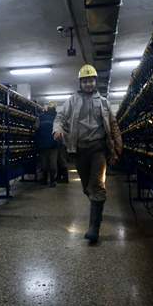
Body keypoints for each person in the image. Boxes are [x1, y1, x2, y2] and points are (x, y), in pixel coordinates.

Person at [53, 64, 122, 243]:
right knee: (87, 187)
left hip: (98, 148)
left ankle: (94, 228)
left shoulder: (104, 102)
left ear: (95, 81)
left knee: (97, 185)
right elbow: (60, 118)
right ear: (80, 83)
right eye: (85, 81)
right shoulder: (72, 101)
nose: (88, 84)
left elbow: (113, 124)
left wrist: (117, 147)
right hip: (80, 150)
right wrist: (57, 129)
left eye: (91, 80)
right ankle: (95, 204)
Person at [35, 101, 59, 187]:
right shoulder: (41, 117)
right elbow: (36, 129)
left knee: (51, 165)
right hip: (45, 145)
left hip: (51, 145)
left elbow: (36, 129)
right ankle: (46, 180)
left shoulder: (56, 118)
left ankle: (51, 180)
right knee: (46, 165)